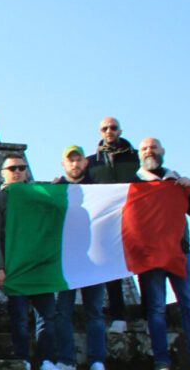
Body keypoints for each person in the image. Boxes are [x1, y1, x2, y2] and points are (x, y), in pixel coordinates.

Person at [132, 137, 190, 370]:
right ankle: (161, 361)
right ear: (139, 154)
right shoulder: (131, 185)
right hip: (150, 257)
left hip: (179, 253)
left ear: (162, 151)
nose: (149, 151)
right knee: (156, 310)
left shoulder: (177, 182)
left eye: (153, 147)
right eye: (144, 148)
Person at [0, 154, 60, 370]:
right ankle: (23, 358)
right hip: (14, 269)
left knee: (47, 316)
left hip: (39, 268)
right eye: (12, 169)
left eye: (21, 168)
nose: (17, 172)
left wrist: (59, 189)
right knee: (19, 317)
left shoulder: (40, 196)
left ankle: (47, 359)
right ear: (3, 174)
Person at [50, 146, 106, 370]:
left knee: (95, 312)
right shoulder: (55, 190)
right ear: (63, 164)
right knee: (62, 311)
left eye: (78, 159)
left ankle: (97, 360)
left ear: (86, 162)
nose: (74, 164)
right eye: (70, 160)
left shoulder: (101, 190)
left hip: (94, 260)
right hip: (65, 261)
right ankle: (66, 359)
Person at [83, 117, 136, 334]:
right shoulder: (91, 162)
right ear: (100, 132)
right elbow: (79, 186)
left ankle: (148, 314)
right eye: (104, 128)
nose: (109, 131)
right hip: (107, 222)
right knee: (111, 267)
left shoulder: (136, 158)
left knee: (145, 265)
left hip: (135, 219)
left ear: (120, 131)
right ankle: (118, 315)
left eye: (113, 128)